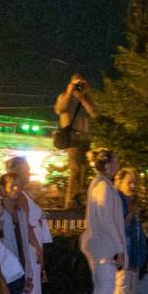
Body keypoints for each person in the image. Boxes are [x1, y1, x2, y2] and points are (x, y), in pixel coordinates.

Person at [5, 157, 51, 294]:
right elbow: (27, 226)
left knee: (28, 293)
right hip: (29, 249)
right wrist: (39, 251)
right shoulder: (20, 197)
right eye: (27, 169)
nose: (30, 172)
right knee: (27, 292)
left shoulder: (24, 195)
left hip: (30, 247)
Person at [81, 148, 125, 294]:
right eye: (115, 162)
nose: (118, 166)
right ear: (107, 165)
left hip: (100, 247)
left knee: (101, 292)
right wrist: (119, 248)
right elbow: (108, 220)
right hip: (105, 248)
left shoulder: (99, 185)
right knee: (104, 293)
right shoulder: (104, 188)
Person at [111, 167, 148, 294]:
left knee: (130, 291)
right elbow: (117, 225)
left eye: (135, 182)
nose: (132, 186)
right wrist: (131, 213)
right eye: (129, 182)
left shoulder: (131, 201)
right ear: (119, 182)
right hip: (122, 251)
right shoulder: (117, 200)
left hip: (134, 252)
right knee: (121, 289)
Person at [54, 73, 98, 209]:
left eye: (81, 84)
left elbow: (94, 113)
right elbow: (59, 109)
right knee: (76, 169)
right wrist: (69, 92)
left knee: (84, 171)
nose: (79, 87)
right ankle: (71, 202)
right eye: (76, 84)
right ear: (71, 83)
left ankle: (80, 200)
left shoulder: (86, 98)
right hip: (72, 139)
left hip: (85, 139)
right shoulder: (65, 97)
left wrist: (83, 97)